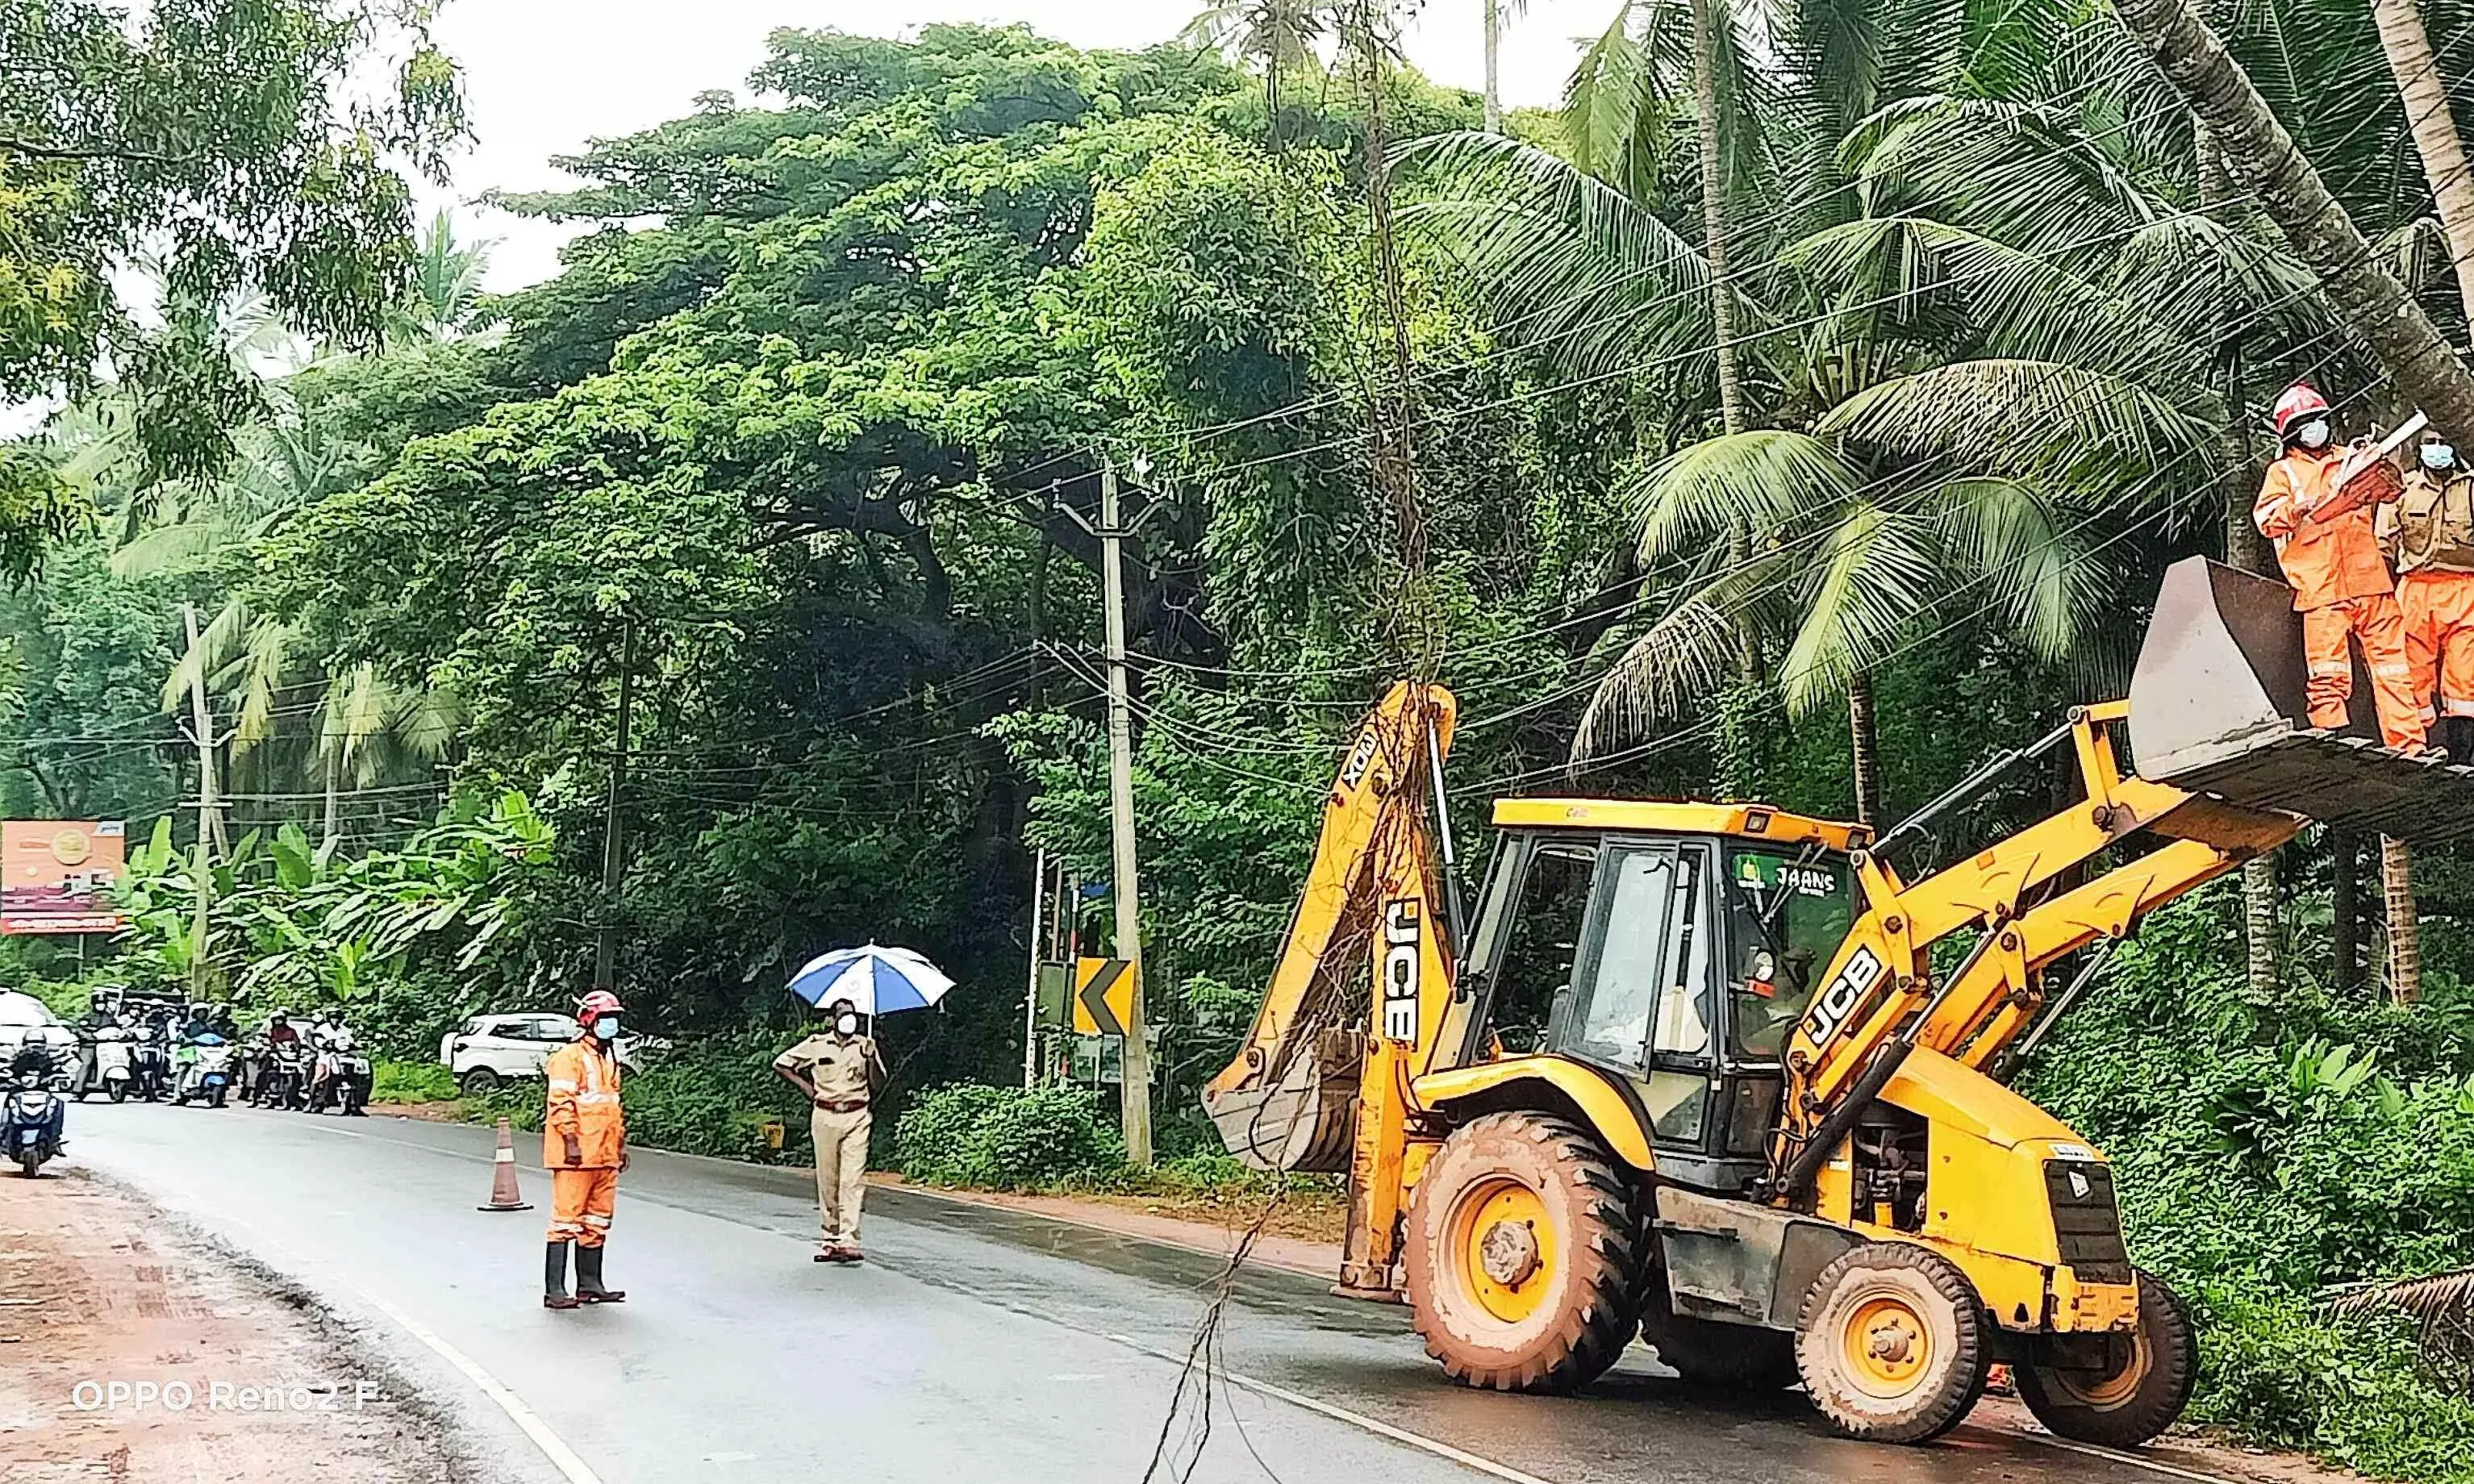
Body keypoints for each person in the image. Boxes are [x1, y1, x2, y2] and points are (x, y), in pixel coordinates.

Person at [2253, 382, 2430, 752]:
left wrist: (2379, 470)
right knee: (2328, 675)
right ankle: (2332, 744)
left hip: (2370, 582)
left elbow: (2392, 490)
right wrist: (2302, 507)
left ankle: (2411, 748)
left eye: (2318, 419)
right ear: (2291, 433)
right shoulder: (2283, 473)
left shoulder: (2352, 460)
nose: (2314, 427)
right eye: (2305, 422)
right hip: (2321, 589)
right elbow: (2267, 520)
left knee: (2395, 672)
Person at [2380, 428, 2474, 757]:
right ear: (2419, 448)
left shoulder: (2471, 488)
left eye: (2444, 442)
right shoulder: (2401, 490)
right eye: (2431, 443)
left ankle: (2463, 759)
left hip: (2465, 590)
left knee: (2465, 683)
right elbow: (2382, 548)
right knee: (2412, 677)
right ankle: (2416, 752)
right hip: (2415, 592)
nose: (2438, 449)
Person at [772, 998, 887, 1264]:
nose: (849, 1019)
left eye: (853, 1015)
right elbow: (781, 1063)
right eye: (843, 1014)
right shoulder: (816, 1045)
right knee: (828, 1179)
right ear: (832, 1020)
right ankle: (830, 1238)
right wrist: (805, 1087)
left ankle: (849, 1239)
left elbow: (878, 1082)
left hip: (857, 1115)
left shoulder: (864, 1045)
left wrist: (871, 1059)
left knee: (852, 1179)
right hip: (825, 1115)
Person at [543, 989, 629, 1310]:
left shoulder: (609, 1059)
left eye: (615, 1019)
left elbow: (613, 1107)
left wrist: (620, 1145)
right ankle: (555, 1290)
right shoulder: (570, 1057)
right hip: (576, 1156)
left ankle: (590, 1283)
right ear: (589, 1020)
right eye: (607, 1018)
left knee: (597, 1221)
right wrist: (571, 1142)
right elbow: (560, 1103)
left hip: (605, 1154)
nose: (612, 1024)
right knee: (566, 1221)